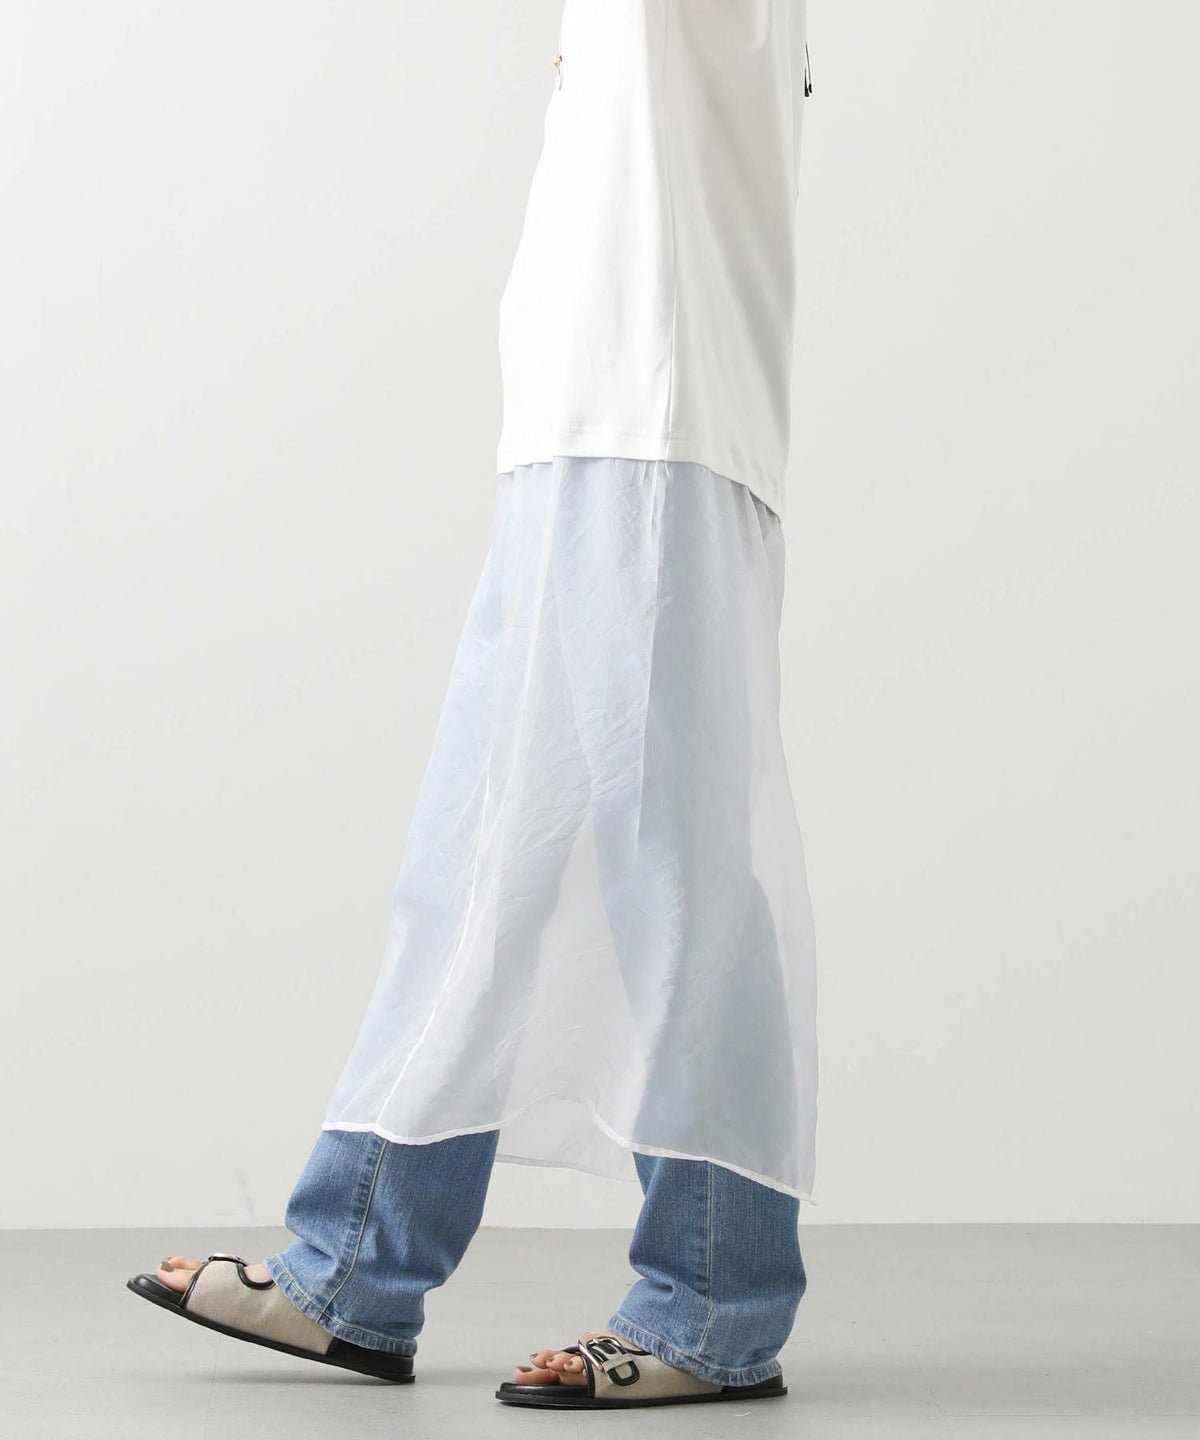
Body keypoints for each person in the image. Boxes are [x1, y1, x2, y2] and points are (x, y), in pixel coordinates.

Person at [128, 0, 818, 1410]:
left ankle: (715, 1304)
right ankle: (357, 1269)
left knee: (677, 878)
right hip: (582, 438)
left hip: (653, 434)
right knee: (477, 867)